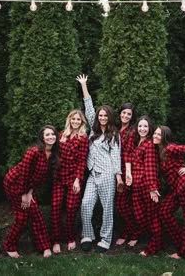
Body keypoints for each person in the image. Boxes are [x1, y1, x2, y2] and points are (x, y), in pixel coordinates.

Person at [76, 74, 123, 253]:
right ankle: (87, 235)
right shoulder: (93, 131)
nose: (102, 117)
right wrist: (84, 85)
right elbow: (89, 108)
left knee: (107, 209)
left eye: (105, 115)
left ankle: (105, 238)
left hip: (107, 176)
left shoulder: (114, 135)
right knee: (86, 204)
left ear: (110, 117)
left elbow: (116, 156)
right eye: (100, 115)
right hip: (92, 175)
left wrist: (118, 177)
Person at [3, 125, 58, 258]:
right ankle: (9, 246)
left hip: (28, 188)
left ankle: (44, 247)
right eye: (47, 135)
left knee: (35, 214)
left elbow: (39, 179)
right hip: (14, 183)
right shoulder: (33, 152)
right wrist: (23, 194)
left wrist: (30, 192)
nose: (51, 137)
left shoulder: (52, 155)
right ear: (42, 138)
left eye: (53, 134)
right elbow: (24, 174)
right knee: (22, 217)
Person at [153, 125, 185, 259]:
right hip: (177, 188)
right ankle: (181, 244)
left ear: (165, 137)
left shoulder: (170, 148)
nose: (155, 136)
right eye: (155, 134)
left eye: (159, 135)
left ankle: (184, 253)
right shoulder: (160, 150)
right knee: (164, 211)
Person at [51, 110, 89, 253]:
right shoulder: (61, 135)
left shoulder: (83, 138)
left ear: (82, 122)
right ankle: (55, 240)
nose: (75, 121)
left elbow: (81, 161)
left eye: (78, 119)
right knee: (55, 208)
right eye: (73, 119)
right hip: (59, 177)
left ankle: (70, 237)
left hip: (74, 178)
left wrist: (77, 180)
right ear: (69, 120)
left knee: (71, 208)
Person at [125, 115, 162, 256]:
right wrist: (128, 173)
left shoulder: (150, 144)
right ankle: (154, 240)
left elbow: (151, 167)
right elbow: (128, 155)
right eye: (140, 126)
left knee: (152, 218)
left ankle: (154, 246)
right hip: (136, 186)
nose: (142, 129)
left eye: (145, 126)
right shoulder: (137, 142)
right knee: (140, 216)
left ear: (150, 128)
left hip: (147, 187)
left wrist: (152, 188)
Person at [115, 103, 139, 247]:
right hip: (116, 169)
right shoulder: (117, 128)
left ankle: (133, 234)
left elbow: (128, 153)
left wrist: (127, 173)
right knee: (121, 205)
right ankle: (126, 232)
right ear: (120, 113)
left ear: (132, 117)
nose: (125, 116)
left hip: (127, 170)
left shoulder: (132, 131)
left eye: (129, 114)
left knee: (125, 205)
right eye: (124, 113)